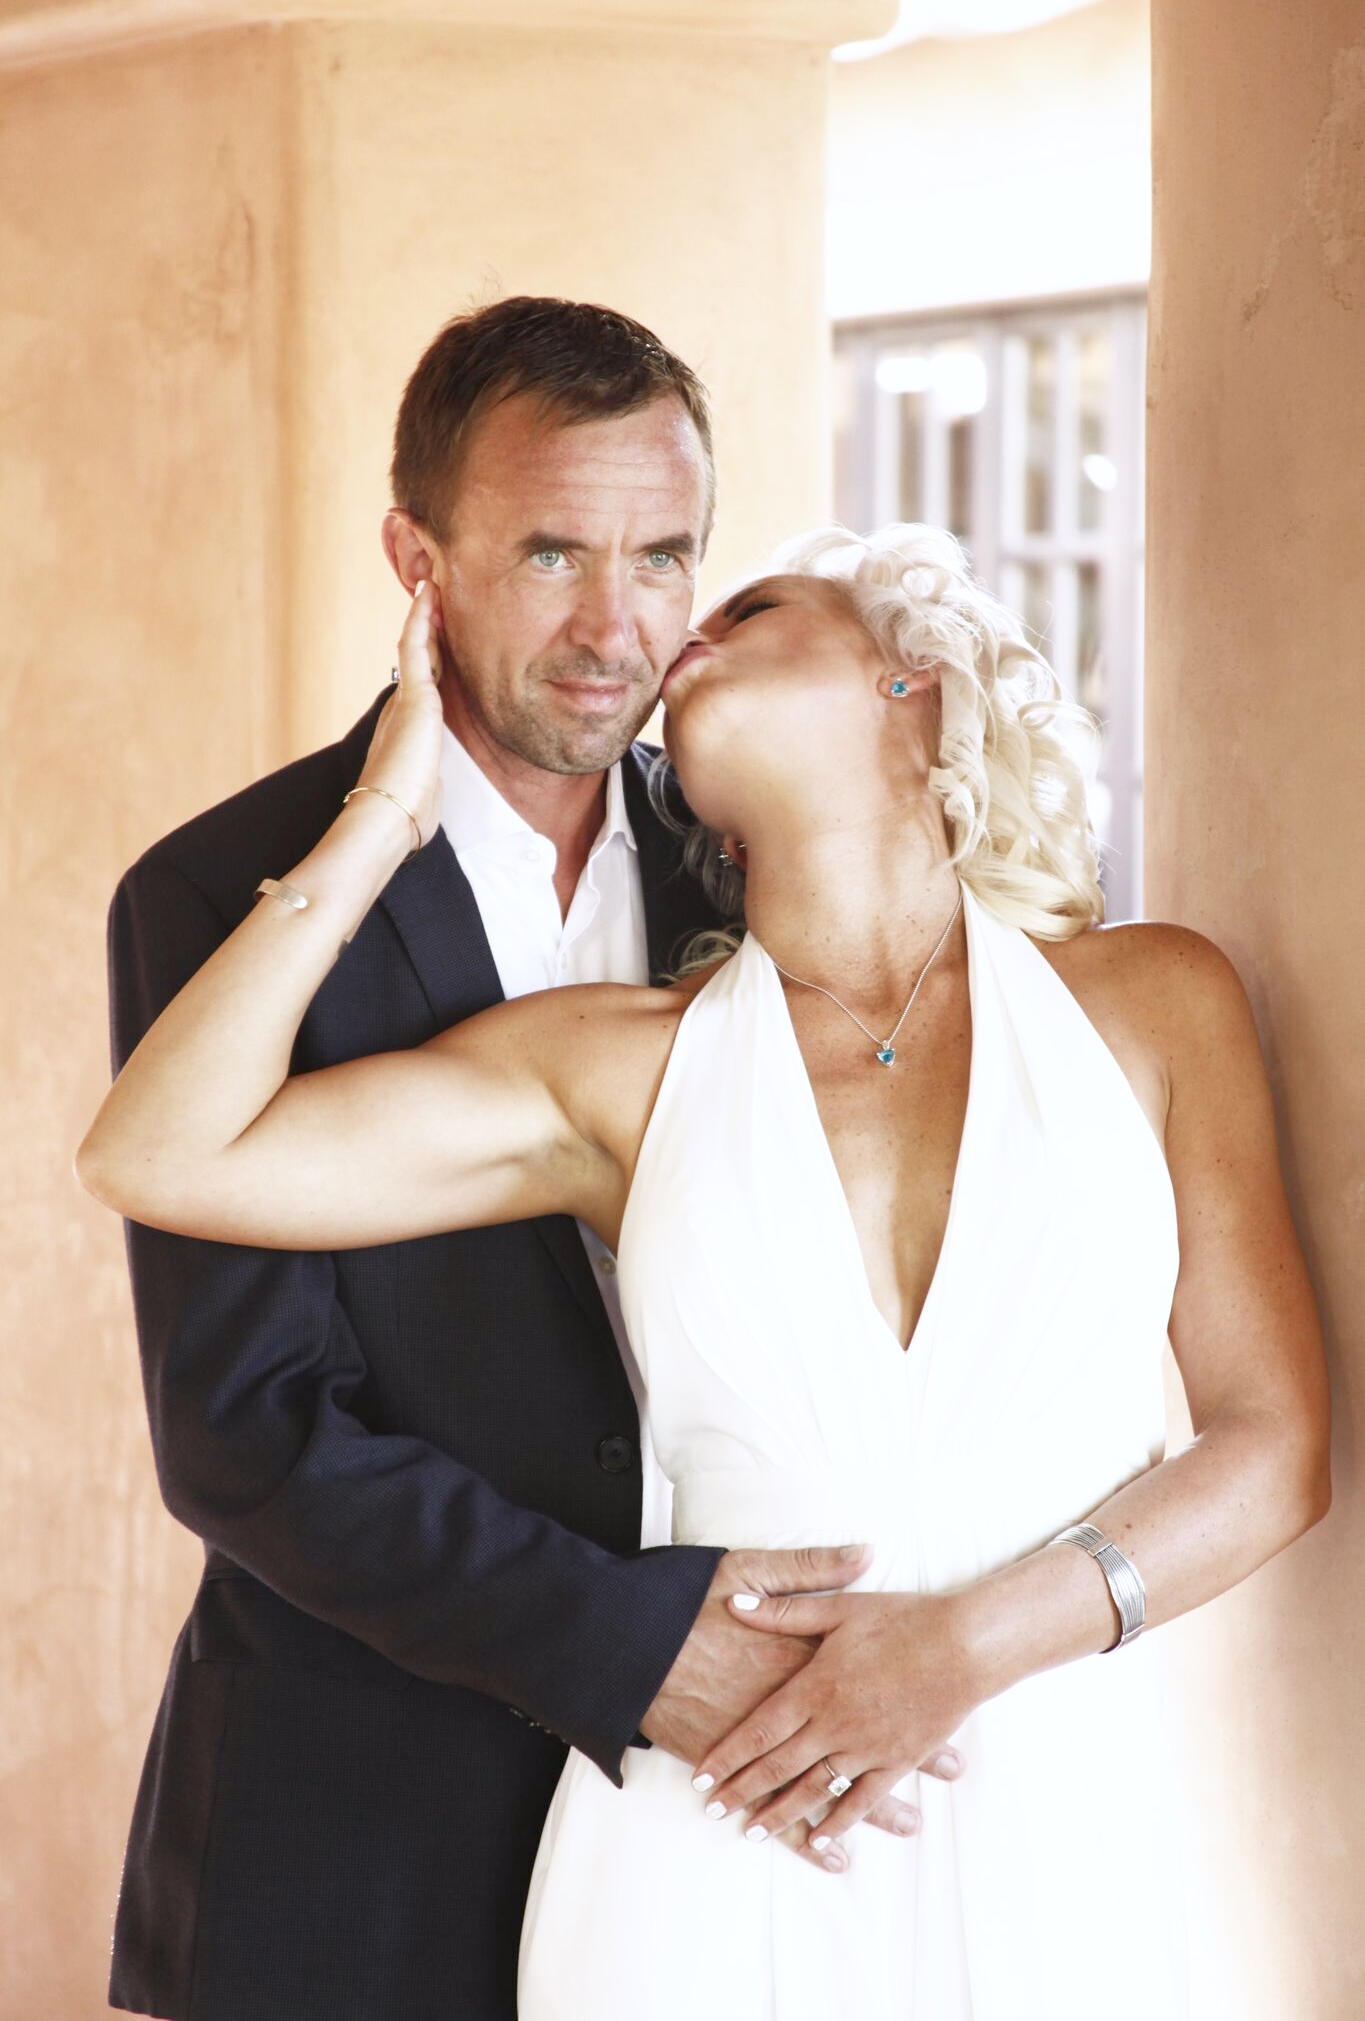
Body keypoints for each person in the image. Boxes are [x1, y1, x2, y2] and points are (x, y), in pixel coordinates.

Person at [80, 521, 1332, 2019]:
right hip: (718, 1832)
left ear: (913, 683)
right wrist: (386, 811)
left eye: (751, 605)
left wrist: (960, 1648)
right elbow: (158, 1153)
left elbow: (1273, 1447)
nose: (682, 636)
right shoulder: (613, 1069)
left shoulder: (1156, 1003)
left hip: (1054, 1819)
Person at [97, 298, 941, 2021]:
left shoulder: (750, 865)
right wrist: (631, 1649)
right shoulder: (218, 894)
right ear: (418, 560)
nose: (616, 627)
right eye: (553, 553)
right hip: (359, 1836)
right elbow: (245, 1431)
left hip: (740, 1827)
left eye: (663, 556)